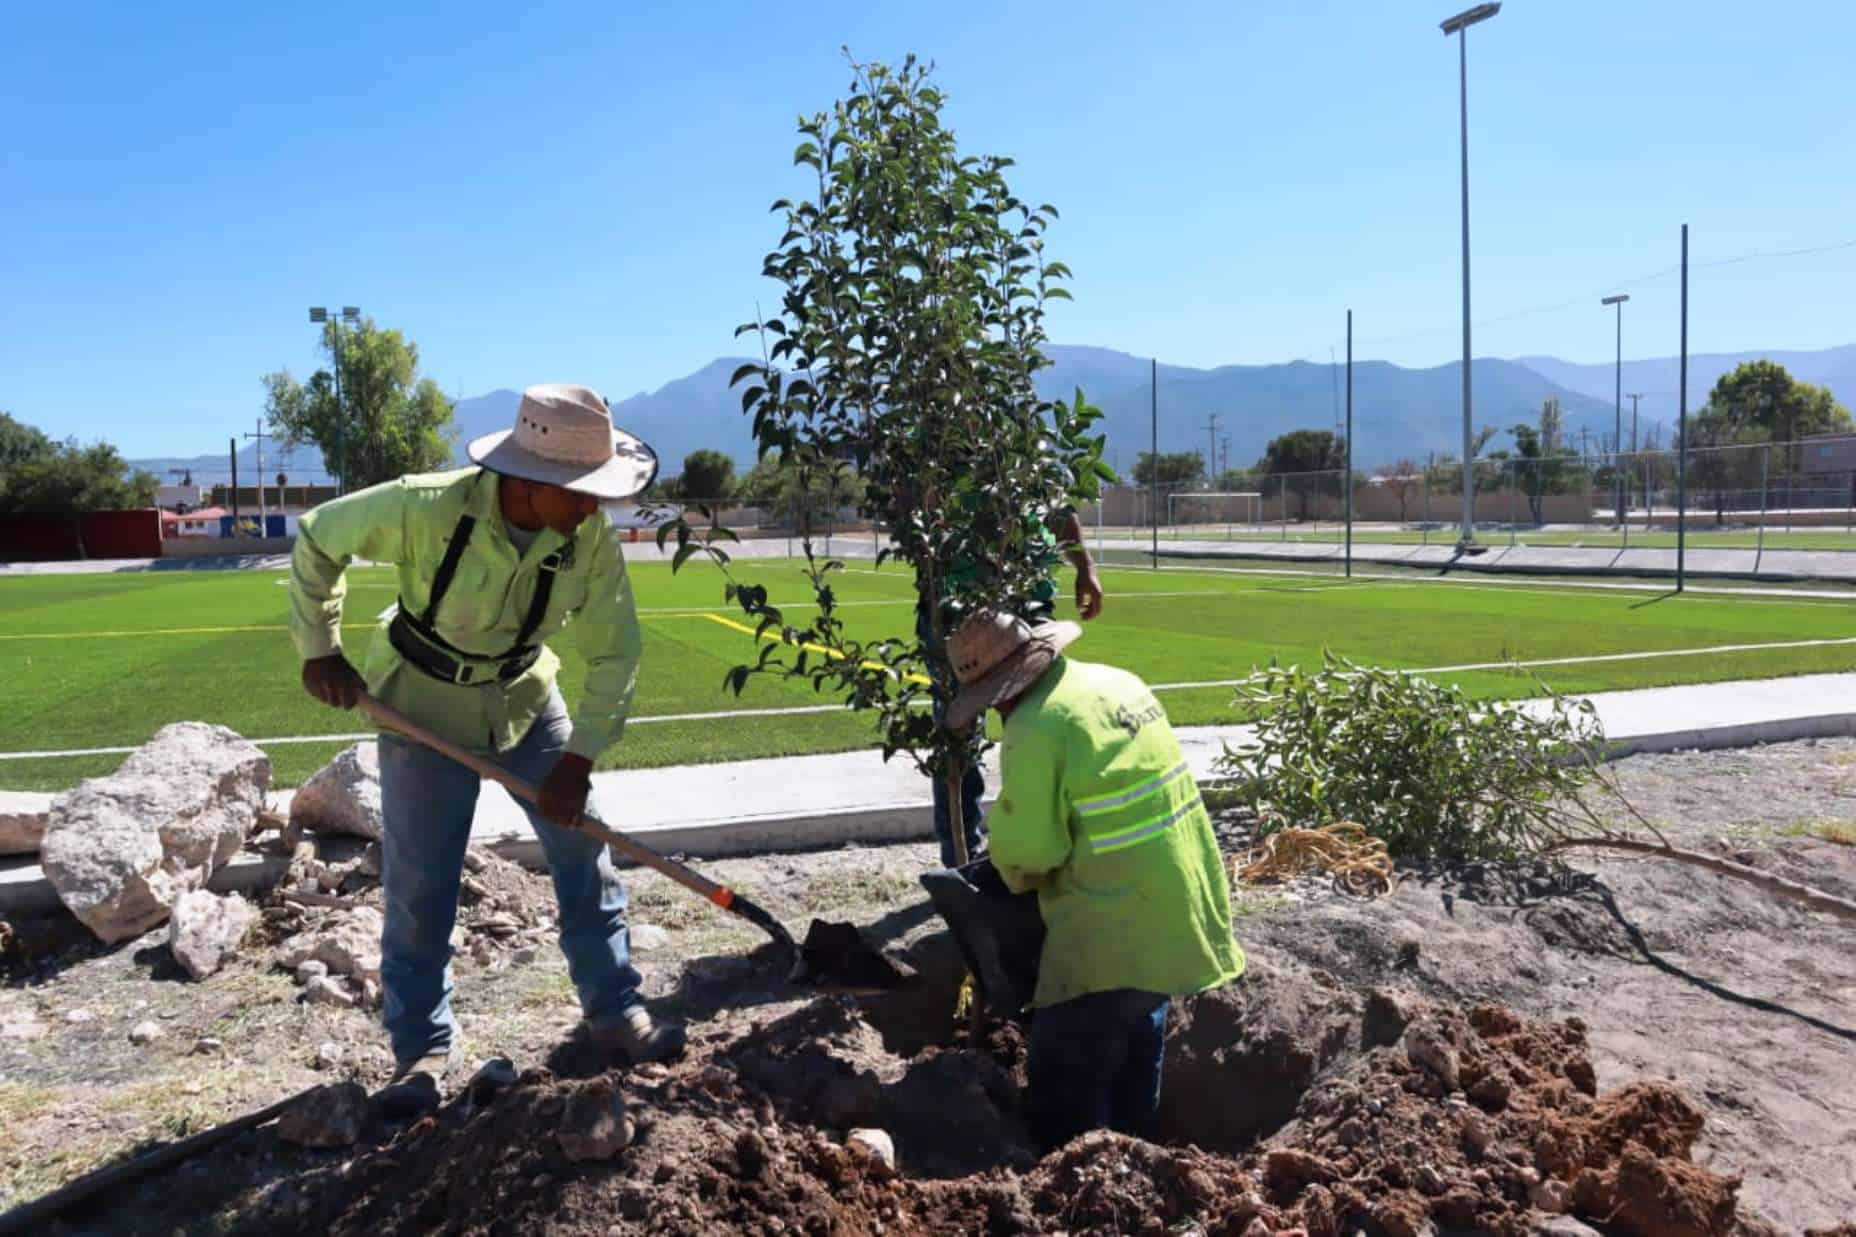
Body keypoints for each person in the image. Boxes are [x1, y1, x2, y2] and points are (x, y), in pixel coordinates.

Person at [289, 383, 683, 1111]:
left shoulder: (587, 536)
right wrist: (320, 647)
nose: (593, 509)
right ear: (530, 482)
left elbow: (616, 650)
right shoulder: (424, 508)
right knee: (420, 884)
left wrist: (577, 759)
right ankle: (421, 1053)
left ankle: (613, 1008)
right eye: (581, 493)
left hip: (524, 700)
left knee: (583, 850)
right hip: (420, 707)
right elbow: (317, 536)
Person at [938, 608, 1245, 1150]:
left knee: (1065, 1078)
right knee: (1137, 1051)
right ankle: (1140, 1162)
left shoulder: (1035, 727)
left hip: (1109, 930)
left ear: (997, 692)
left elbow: (1030, 855)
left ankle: (1074, 1180)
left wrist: (1005, 870)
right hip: (1177, 904)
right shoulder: (1117, 683)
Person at [919, 501, 1105, 868]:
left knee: (1042, 727)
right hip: (955, 611)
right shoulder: (940, 462)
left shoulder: (1035, 462)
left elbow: (1056, 502)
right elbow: (911, 504)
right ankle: (962, 864)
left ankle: (1042, 852)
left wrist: (1086, 567)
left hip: (1027, 607)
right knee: (957, 741)